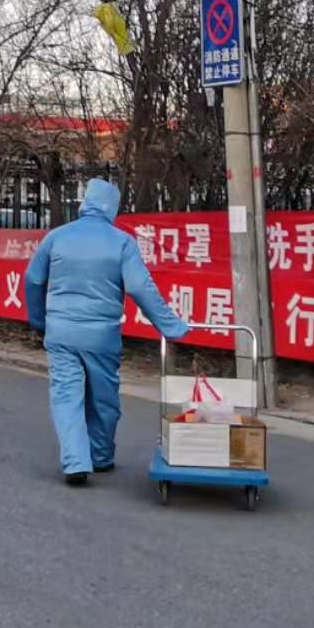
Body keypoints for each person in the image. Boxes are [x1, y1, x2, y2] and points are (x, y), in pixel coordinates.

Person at [24, 178, 189, 486]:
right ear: (112, 207)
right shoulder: (121, 242)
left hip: (60, 333)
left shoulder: (57, 237)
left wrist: (39, 320)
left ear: (84, 203)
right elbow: (140, 287)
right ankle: (99, 456)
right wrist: (171, 326)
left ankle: (75, 460)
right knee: (104, 399)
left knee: (66, 397)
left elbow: (33, 279)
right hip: (101, 336)